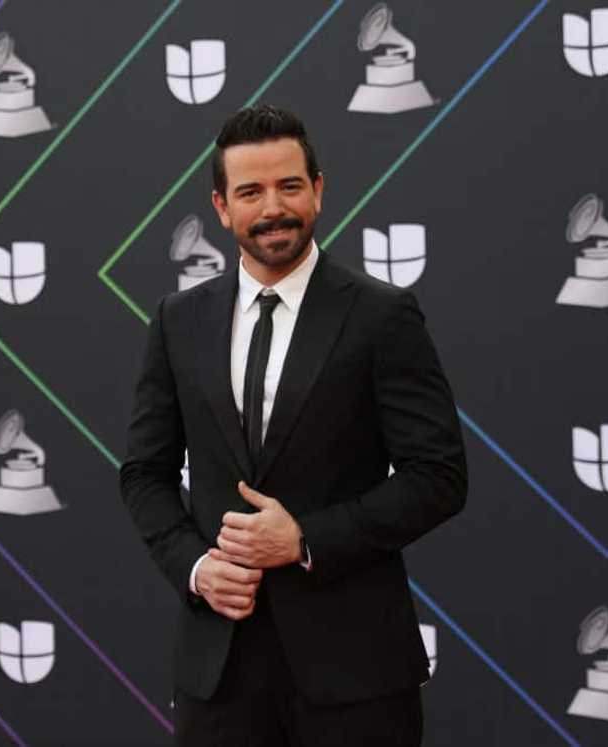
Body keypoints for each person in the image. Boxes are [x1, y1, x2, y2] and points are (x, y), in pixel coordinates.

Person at [119, 104, 467, 746]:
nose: (273, 207)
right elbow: (145, 474)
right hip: (218, 672)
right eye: (251, 191)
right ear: (222, 207)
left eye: (289, 186)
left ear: (319, 191)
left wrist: (305, 539)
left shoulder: (382, 318)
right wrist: (196, 567)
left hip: (357, 675)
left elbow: (438, 477)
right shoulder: (178, 321)